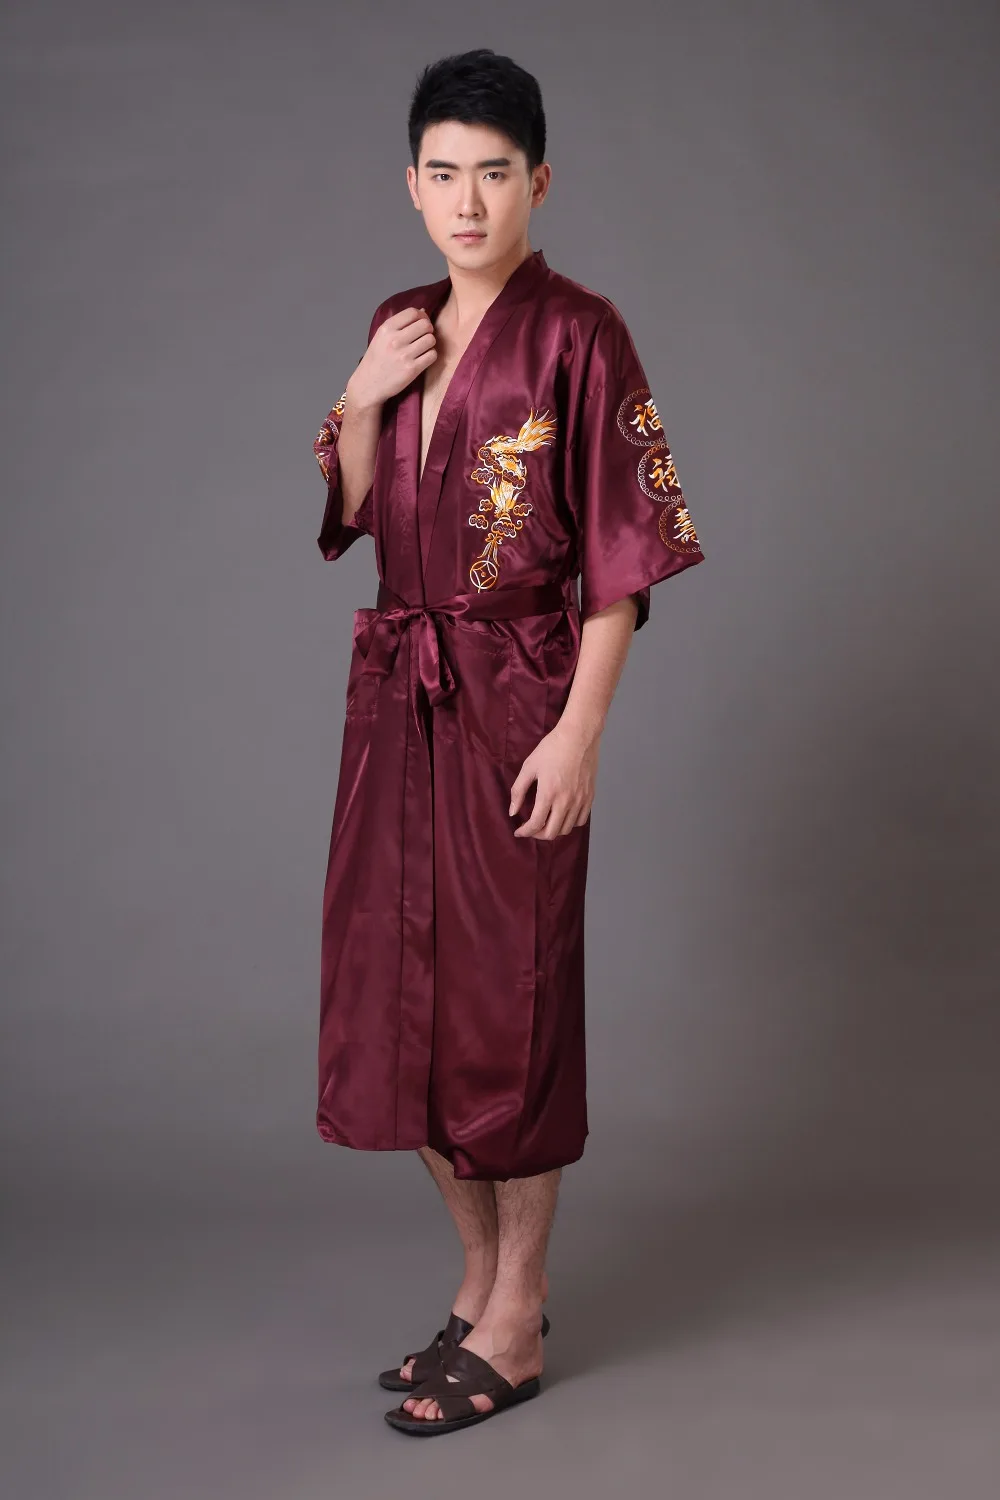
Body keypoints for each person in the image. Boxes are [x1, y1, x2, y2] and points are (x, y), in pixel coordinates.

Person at [311, 48, 705, 1435]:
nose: (468, 202)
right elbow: (353, 511)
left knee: (508, 1010)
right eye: (444, 175)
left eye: (494, 174)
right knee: (404, 1004)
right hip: (396, 704)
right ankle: (481, 1290)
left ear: (539, 182)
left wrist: (579, 732)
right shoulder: (398, 322)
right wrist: (364, 390)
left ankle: (521, 1314)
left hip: (519, 703)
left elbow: (622, 565)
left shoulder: (582, 335)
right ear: (411, 187)